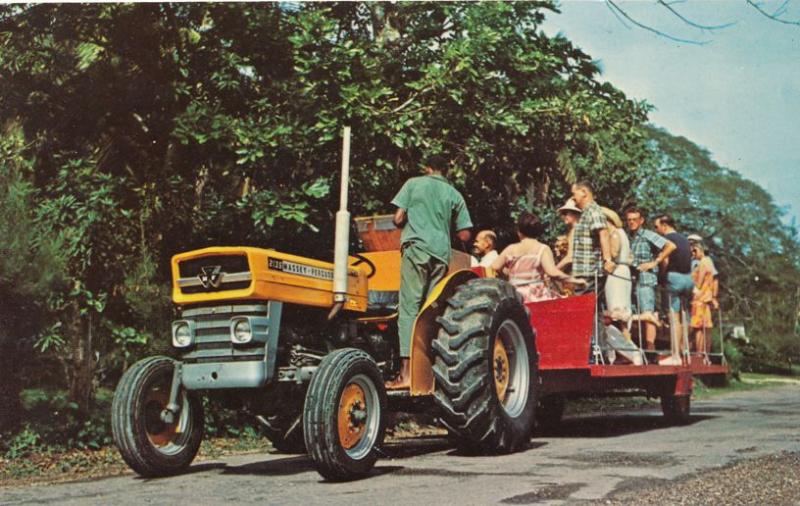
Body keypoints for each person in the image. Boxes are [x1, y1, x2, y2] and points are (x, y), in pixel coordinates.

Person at [389, 154, 473, 389]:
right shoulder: (454, 194)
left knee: (409, 309)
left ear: (427, 168)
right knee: (428, 311)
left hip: (416, 249)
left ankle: (406, 375)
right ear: (445, 170)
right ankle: (429, 374)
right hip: (440, 254)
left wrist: (406, 220)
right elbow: (465, 234)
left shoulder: (413, 184)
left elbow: (397, 218)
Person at [490, 212, 585, 303]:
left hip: (515, 296)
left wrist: (507, 274)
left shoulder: (510, 249)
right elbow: (552, 272)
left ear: (519, 232)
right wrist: (574, 280)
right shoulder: (542, 249)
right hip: (535, 296)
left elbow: (494, 267)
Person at [624, 206, 676, 351]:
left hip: (646, 280)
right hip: (632, 280)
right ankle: (633, 349)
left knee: (648, 314)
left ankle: (650, 350)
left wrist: (655, 262)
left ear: (641, 221)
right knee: (633, 314)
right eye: (629, 220)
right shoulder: (628, 237)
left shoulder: (648, 235)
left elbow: (670, 246)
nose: (632, 222)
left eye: (634, 220)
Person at [654, 214, 694, 366]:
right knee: (685, 316)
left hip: (674, 278)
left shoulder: (666, 240)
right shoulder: (684, 239)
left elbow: (665, 261)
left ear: (664, 226)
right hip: (688, 279)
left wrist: (661, 277)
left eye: (657, 227)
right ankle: (685, 353)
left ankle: (675, 355)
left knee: (674, 318)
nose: (656, 230)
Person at [570, 181, 614, 293]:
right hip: (583, 272)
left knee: (583, 308)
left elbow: (603, 234)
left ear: (584, 192)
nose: (572, 197)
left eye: (574, 193)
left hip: (589, 272)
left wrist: (608, 260)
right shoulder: (585, 212)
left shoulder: (593, 211)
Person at [602, 207, 632, 323]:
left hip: (617, 271)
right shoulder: (622, 233)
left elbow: (614, 253)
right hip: (624, 270)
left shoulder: (614, 233)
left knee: (617, 309)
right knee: (623, 307)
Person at [690, 241, 716, 362]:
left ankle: (700, 355)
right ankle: (704, 355)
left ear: (700, 250)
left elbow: (699, 283)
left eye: (695, 250)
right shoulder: (709, 261)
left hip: (699, 298)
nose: (693, 253)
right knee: (705, 327)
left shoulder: (703, 262)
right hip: (705, 298)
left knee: (698, 327)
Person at [555, 198, 581, 272]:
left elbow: (570, 257)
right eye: (563, 213)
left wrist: (553, 271)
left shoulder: (575, 231)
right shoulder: (573, 230)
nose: (563, 216)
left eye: (566, 213)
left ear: (576, 214)